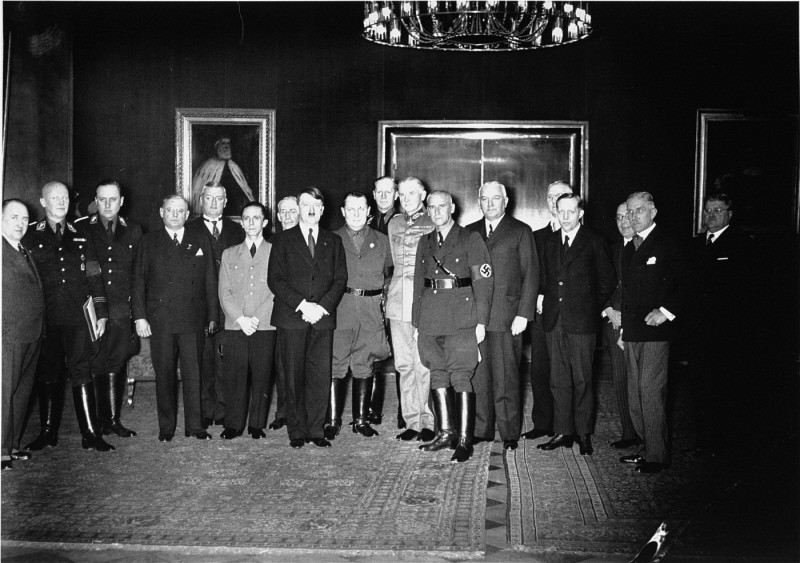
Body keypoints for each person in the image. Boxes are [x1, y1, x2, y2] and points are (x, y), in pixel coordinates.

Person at [23, 181, 114, 453]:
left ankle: (90, 433)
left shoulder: (82, 234)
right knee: (48, 372)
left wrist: (101, 314)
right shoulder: (29, 235)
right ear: (42, 202)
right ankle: (48, 432)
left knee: (81, 369)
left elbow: (95, 276)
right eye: (54, 197)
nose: (61, 202)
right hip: (46, 318)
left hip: (77, 316)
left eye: (64, 197)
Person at [414, 190, 493, 463]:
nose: (437, 212)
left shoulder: (470, 238)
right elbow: (418, 283)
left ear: (453, 208)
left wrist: (481, 321)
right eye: (432, 207)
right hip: (430, 317)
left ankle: (464, 439)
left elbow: (483, 282)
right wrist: (417, 321)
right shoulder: (425, 241)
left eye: (442, 206)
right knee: (437, 373)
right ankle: (446, 433)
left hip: (461, 315)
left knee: (460, 375)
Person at [132, 195, 218, 442]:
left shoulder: (200, 239)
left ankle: (195, 426)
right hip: (161, 321)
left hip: (193, 319)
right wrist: (140, 317)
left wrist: (212, 316)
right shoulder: (148, 242)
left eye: (181, 211)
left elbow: (210, 280)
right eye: (170, 210)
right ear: (161, 212)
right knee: (165, 376)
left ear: (187, 214)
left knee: (194, 374)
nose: (175, 215)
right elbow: (138, 281)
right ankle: (166, 428)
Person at [536, 193, 616, 455]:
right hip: (554, 321)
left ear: (581, 213)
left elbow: (606, 282)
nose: (566, 217)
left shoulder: (594, 241)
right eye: (562, 211)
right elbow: (546, 280)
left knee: (582, 379)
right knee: (558, 379)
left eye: (572, 211)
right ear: (555, 213)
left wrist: (589, 309)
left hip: (582, 323)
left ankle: (583, 433)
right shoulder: (548, 242)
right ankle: (563, 431)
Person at [268, 187, 347, 449]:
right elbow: (275, 280)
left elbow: (339, 279)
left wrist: (321, 307)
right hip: (292, 317)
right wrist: (303, 305)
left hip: (322, 318)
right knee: (293, 375)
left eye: (316, 205)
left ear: (323, 210)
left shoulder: (333, 241)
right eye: (305, 205)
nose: (311, 210)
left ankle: (316, 430)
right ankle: (297, 432)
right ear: (299, 209)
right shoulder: (282, 239)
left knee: (319, 375)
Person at [465, 182, 538, 451]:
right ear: (479, 201)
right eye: (485, 199)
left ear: (505, 200)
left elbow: (531, 275)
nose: (490, 203)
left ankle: (509, 432)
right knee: (479, 376)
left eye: (496, 198)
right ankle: (482, 429)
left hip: (508, 318)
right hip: (475, 318)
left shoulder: (520, 231)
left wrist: (523, 314)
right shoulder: (470, 232)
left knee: (507, 375)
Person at [619, 191, 688, 474]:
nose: (634, 216)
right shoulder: (629, 248)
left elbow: (688, 284)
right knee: (635, 394)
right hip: (633, 331)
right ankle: (647, 448)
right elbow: (627, 294)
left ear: (653, 212)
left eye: (639, 211)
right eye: (630, 212)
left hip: (657, 332)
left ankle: (658, 456)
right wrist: (623, 329)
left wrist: (666, 312)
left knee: (650, 391)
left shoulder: (669, 243)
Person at [76, 180, 142, 439]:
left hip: (120, 309)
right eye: (102, 199)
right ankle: (95, 424)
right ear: (95, 199)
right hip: (92, 308)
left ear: (121, 201)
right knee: (95, 362)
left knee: (116, 361)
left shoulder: (134, 230)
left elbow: (138, 276)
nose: (107, 204)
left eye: (112, 199)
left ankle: (112, 420)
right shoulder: (82, 228)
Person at [688, 193, 753, 455]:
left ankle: (725, 444)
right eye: (707, 210)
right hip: (698, 332)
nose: (711, 215)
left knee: (725, 391)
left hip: (727, 334)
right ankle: (704, 441)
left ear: (729, 213)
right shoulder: (694, 245)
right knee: (700, 389)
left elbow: (746, 294)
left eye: (717, 210)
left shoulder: (741, 245)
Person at [326, 191, 392, 440]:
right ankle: (332, 421)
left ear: (369, 212)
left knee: (364, 363)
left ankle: (361, 421)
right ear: (343, 212)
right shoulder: (331, 239)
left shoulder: (383, 241)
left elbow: (393, 272)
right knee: (337, 362)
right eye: (350, 209)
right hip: (341, 306)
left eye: (360, 209)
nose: (355, 214)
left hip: (370, 310)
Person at [185, 182, 245, 428]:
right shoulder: (188, 229)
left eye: (217, 198)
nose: (213, 203)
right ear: (201, 200)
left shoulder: (238, 230)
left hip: (229, 306)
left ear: (225, 200)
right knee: (202, 360)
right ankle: (204, 411)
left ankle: (224, 411)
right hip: (198, 306)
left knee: (226, 361)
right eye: (208, 198)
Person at [218, 202, 276, 440]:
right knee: (235, 376)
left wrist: (256, 318)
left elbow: (277, 292)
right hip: (236, 325)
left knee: (262, 375)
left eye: (256, 218)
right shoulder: (230, 253)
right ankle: (233, 424)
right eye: (246, 218)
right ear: (241, 222)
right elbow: (224, 292)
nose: (251, 222)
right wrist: (241, 319)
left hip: (265, 325)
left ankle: (256, 424)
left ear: (264, 222)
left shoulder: (276, 251)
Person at [386, 177, 436, 442]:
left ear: (423, 195)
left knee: (423, 364)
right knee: (404, 365)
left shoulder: (432, 222)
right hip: (397, 302)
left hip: (422, 302)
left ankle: (429, 421)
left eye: (411, 194)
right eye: (401, 195)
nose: (405, 199)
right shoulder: (394, 222)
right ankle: (412, 422)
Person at [524, 180, 572, 441]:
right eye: (551, 196)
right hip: (542, 314)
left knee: (568, 371)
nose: (556, 201)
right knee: (540, 368)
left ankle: (569, 425)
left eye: (561, 196)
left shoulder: (582, 235)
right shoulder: (536, 237)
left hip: (570, 316)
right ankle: (543, 422)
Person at [2, 200, 45, 469]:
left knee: (21, 393)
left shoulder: (24, 249)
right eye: (13, 217)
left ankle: (12, 445)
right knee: (3, 391)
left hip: (31, 333)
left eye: (24, 219)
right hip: (7, 333)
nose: (20, 224)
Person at [602, 203, 641, 449]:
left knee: (642, 381)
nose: (623, 221)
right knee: (620, 379)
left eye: (627, 216)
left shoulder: (645, 247)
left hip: (639, 323)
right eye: (618, 217)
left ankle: (647, 434)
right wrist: (608, 310)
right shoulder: (610, 249)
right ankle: (629, 433)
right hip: (612, 321)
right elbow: (598, 282)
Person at [367, 176, 401, 428]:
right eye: (379, 192)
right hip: (371, 294)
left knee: (401, 353)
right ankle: (372, 410)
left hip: (395, 291)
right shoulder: (366, 221)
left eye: (388, 192)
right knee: (374, 353)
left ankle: (405, 412)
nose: (383, 197)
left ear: (396, 195)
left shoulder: (401, 222)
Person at [268, 195, 300, 431]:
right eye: (283, 212)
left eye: (292, 211)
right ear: (278, 217)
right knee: (281, 365)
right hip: (277, 312)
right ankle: (283, 411)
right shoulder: (270, 241)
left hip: (304, 312)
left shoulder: (309, 238)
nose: (288, 216)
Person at [191, 137, 255, 217]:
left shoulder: (234, 166)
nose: (226, 147)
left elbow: (245, 192)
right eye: (223, 144)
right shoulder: (207, 167)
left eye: (228, 144)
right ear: (217, 146)